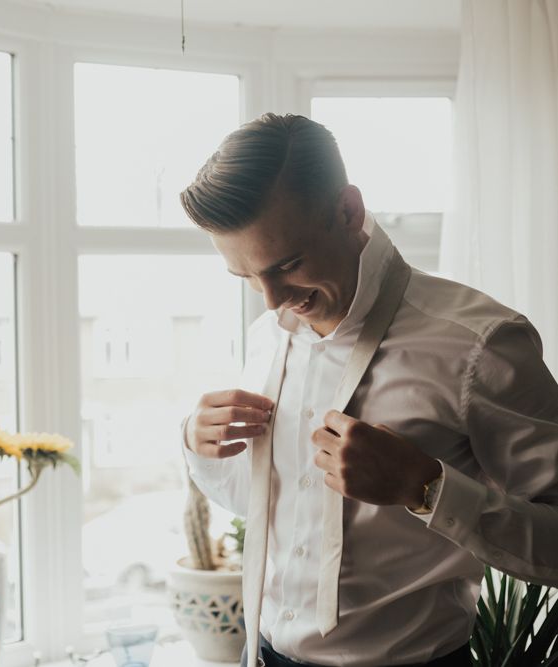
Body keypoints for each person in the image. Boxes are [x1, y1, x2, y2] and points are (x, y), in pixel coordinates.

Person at [179, 113, 558, 667]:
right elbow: (274, 506)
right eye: (247, 277)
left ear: (349, 211)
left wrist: (424, 487)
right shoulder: (269, 337)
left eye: (287, 265)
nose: (271, 300)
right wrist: (200, 445)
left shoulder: (480, 343)